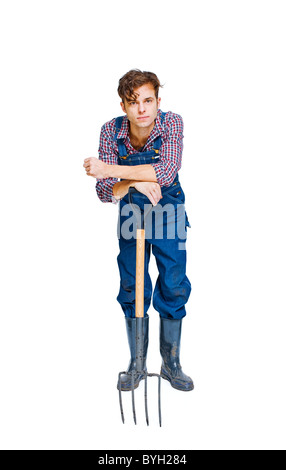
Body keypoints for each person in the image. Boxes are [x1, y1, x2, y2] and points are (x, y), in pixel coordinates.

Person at [83, 69, 194, 392]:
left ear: (158, 101)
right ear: (123, 106)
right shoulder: (110, 131)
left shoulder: (172, 122)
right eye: (133, 103)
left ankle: (171, 364)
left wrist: (112, 171)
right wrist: (139, 181)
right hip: (132, 213)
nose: (142, 109)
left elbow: (167, 172)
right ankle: (137, 364)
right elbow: (105, 193)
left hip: (169, 212)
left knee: (174, 284)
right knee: (133, 285)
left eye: (148, 100)